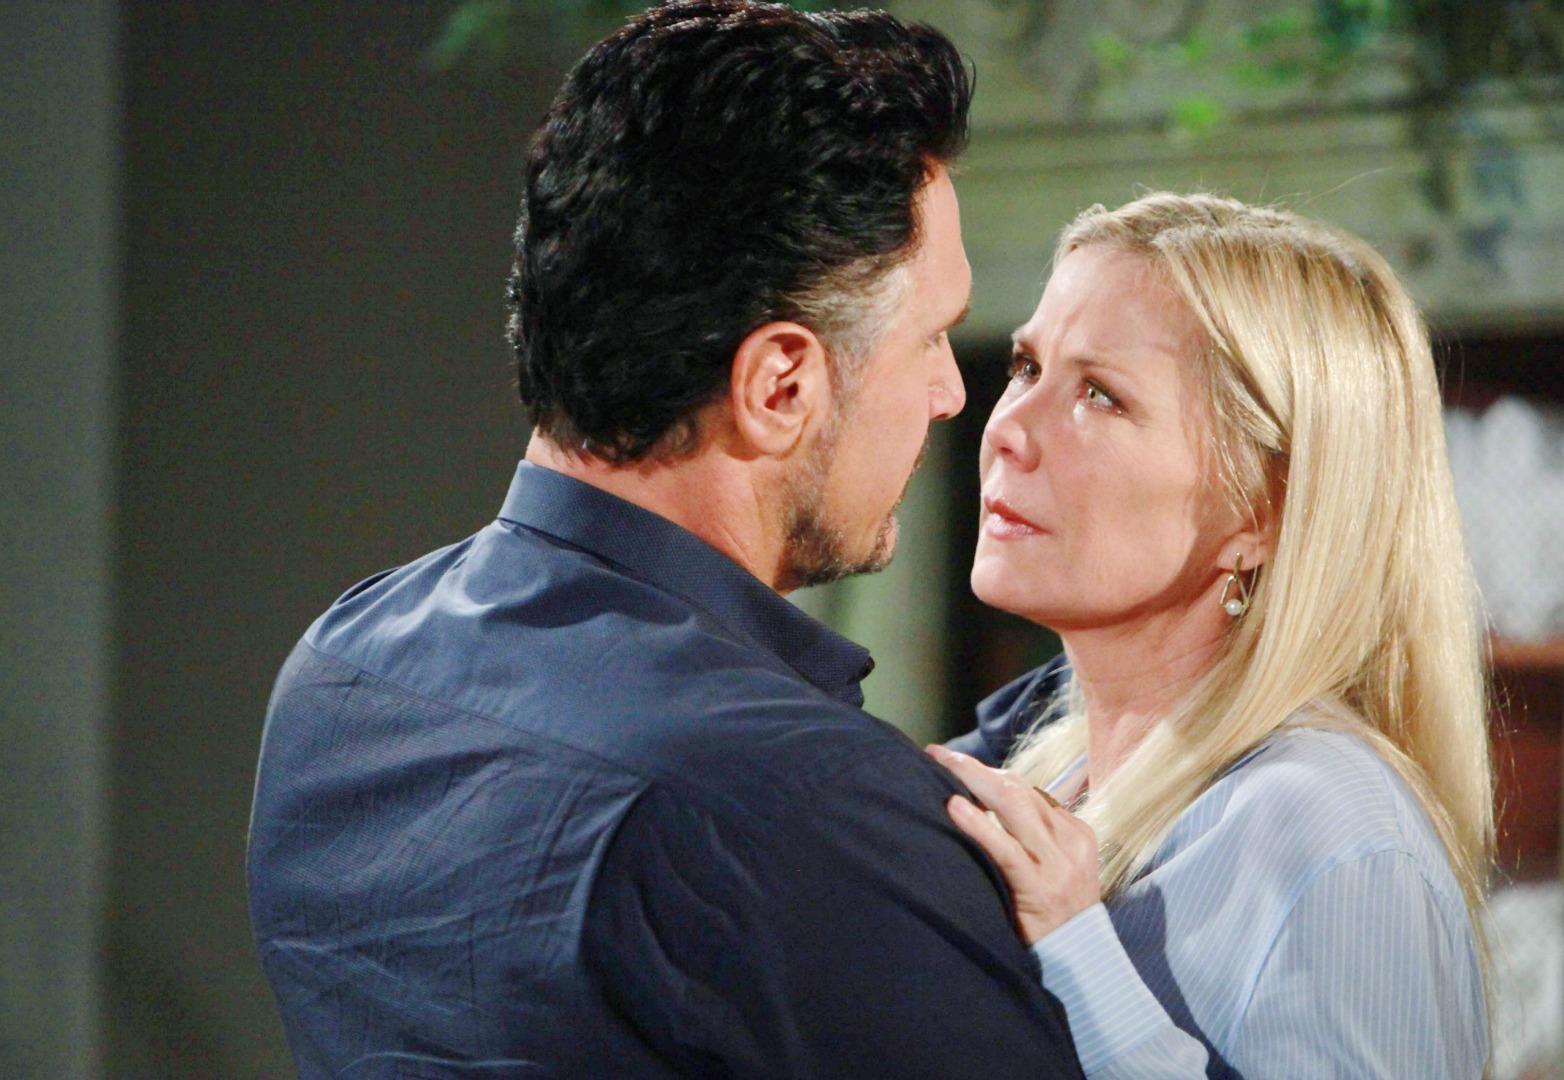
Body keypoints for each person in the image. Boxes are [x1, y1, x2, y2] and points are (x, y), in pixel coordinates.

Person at [245, 4, 1086, 1077]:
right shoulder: (806, 811)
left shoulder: (342, 668)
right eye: (931, 340)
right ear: (779, 386)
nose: (949, 395)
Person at [931, 193, 1495, 1078]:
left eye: (1099, 396)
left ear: (1263, 508)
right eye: (1026, 367)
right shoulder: (1046, 772)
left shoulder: (1334, 829)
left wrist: (1079, 959)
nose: (1007, 428)